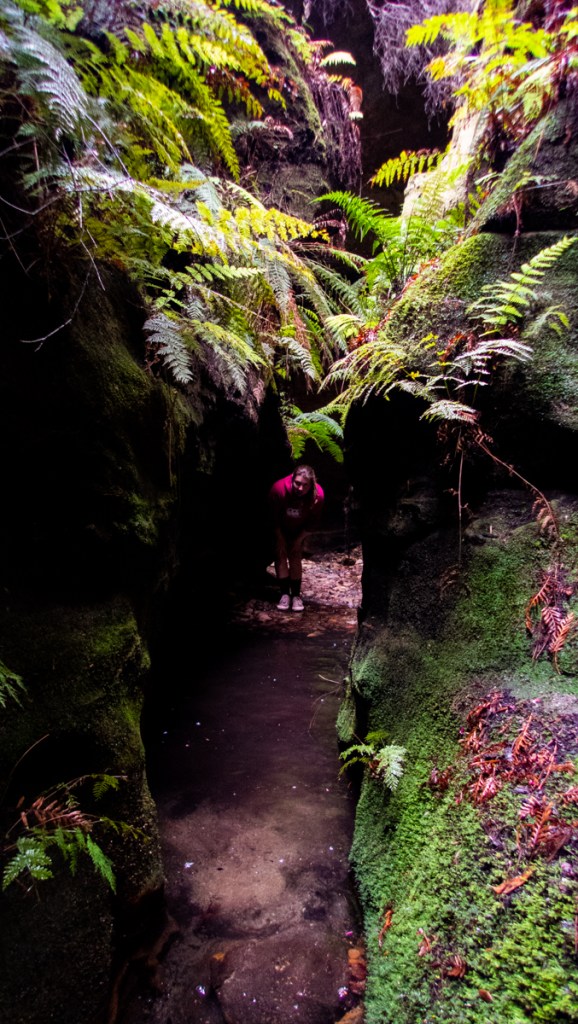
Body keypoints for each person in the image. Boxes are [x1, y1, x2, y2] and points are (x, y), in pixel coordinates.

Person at [268, 465, 324, 612]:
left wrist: (299, 540)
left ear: (311, 484)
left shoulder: (318, 495)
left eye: (305, 485)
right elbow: (272, 517)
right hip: (280, 526)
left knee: (295, 555)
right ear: (292, 478)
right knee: (280, 554)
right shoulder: (278, 489)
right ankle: (284, 594)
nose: (300, 488)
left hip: (300, 528)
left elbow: (313, 521)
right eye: (297, 483)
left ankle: (296, 596)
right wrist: (279, 537)